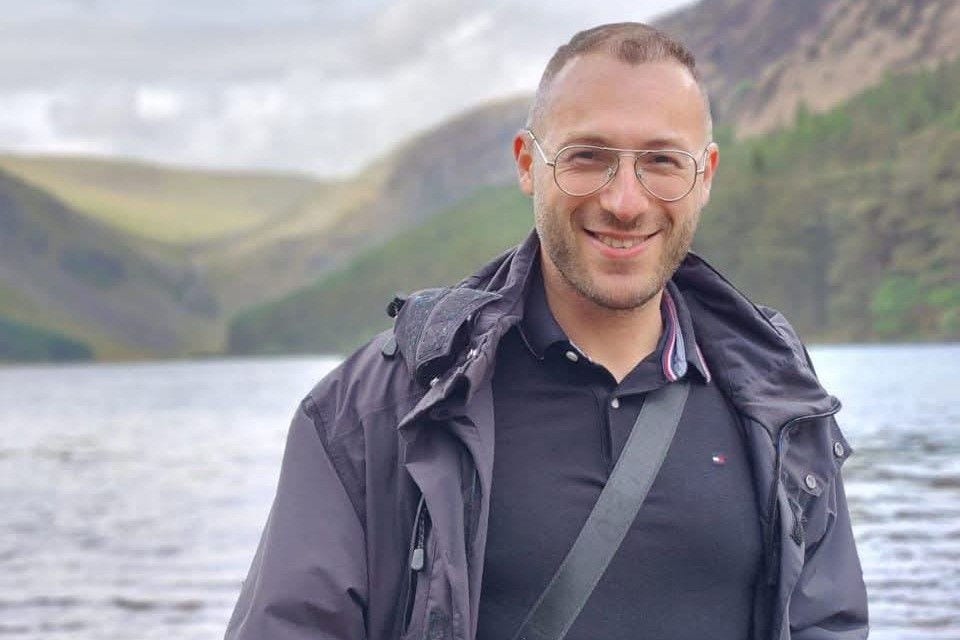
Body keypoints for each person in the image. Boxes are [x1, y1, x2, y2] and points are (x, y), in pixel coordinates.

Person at [225, 22, 868, 640]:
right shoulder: (376, 409)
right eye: (587, 157)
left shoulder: (778, 399)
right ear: (527, 163)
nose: (625, 201)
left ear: (705, 177)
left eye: (662, 160)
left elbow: (828, 623)